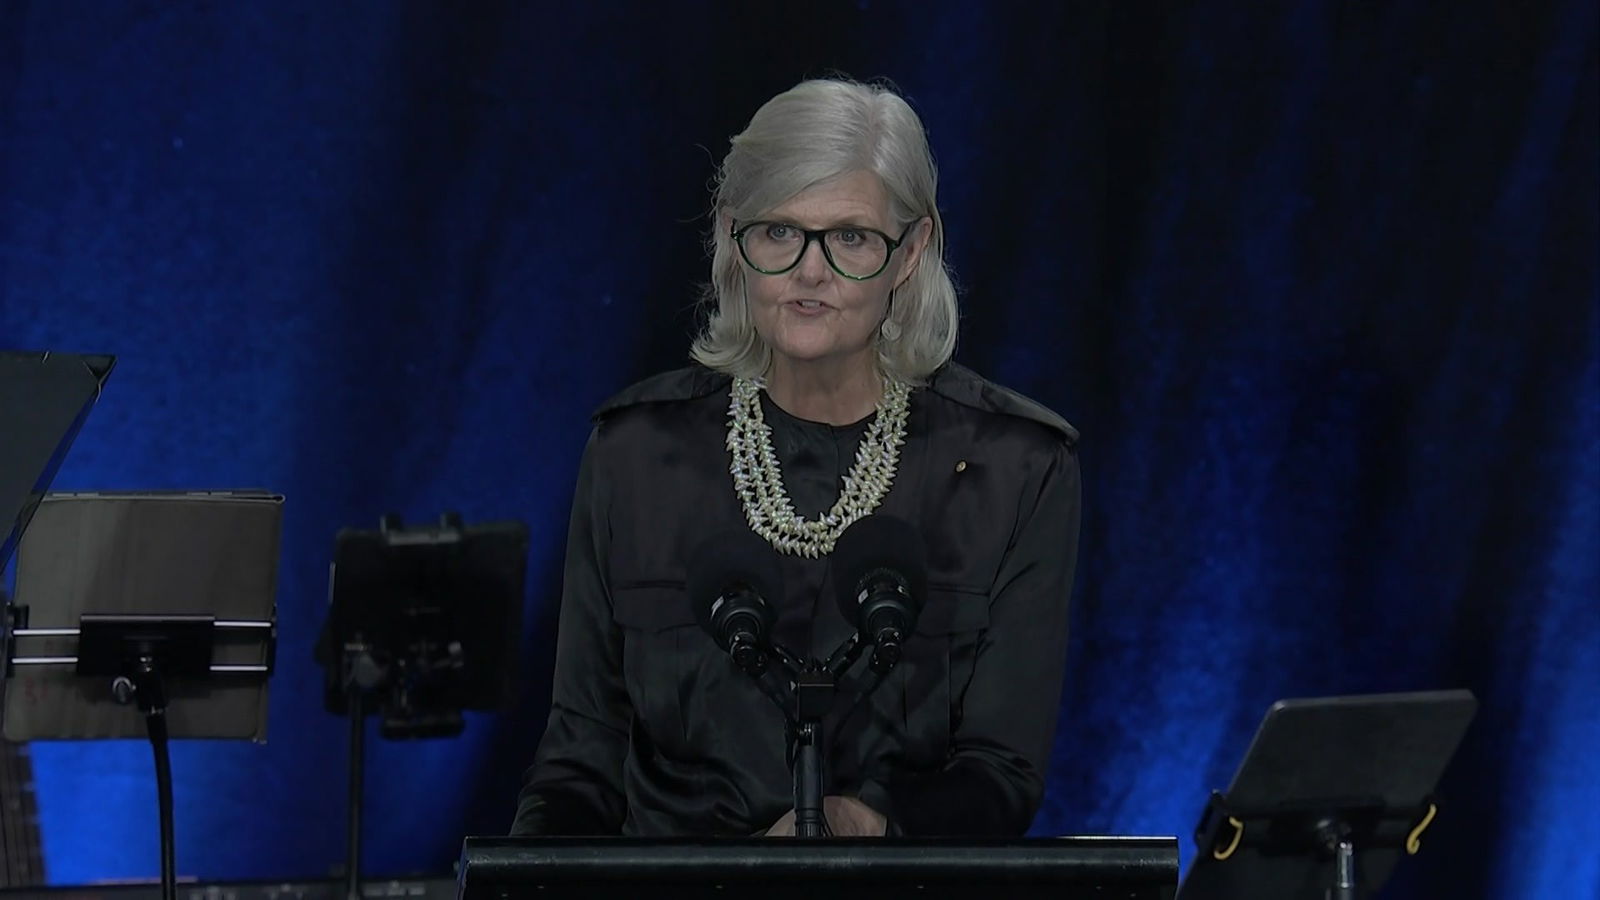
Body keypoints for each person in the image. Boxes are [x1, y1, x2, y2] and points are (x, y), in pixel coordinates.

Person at [511, 78, 1080, 838]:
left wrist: (860, 826)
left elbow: (1001, 774)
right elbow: (581, 758)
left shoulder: (1016, 468)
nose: (810, 272)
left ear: (911, 252)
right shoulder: (635, 456)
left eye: (849, 237)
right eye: (779, 232)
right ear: (730, 237)